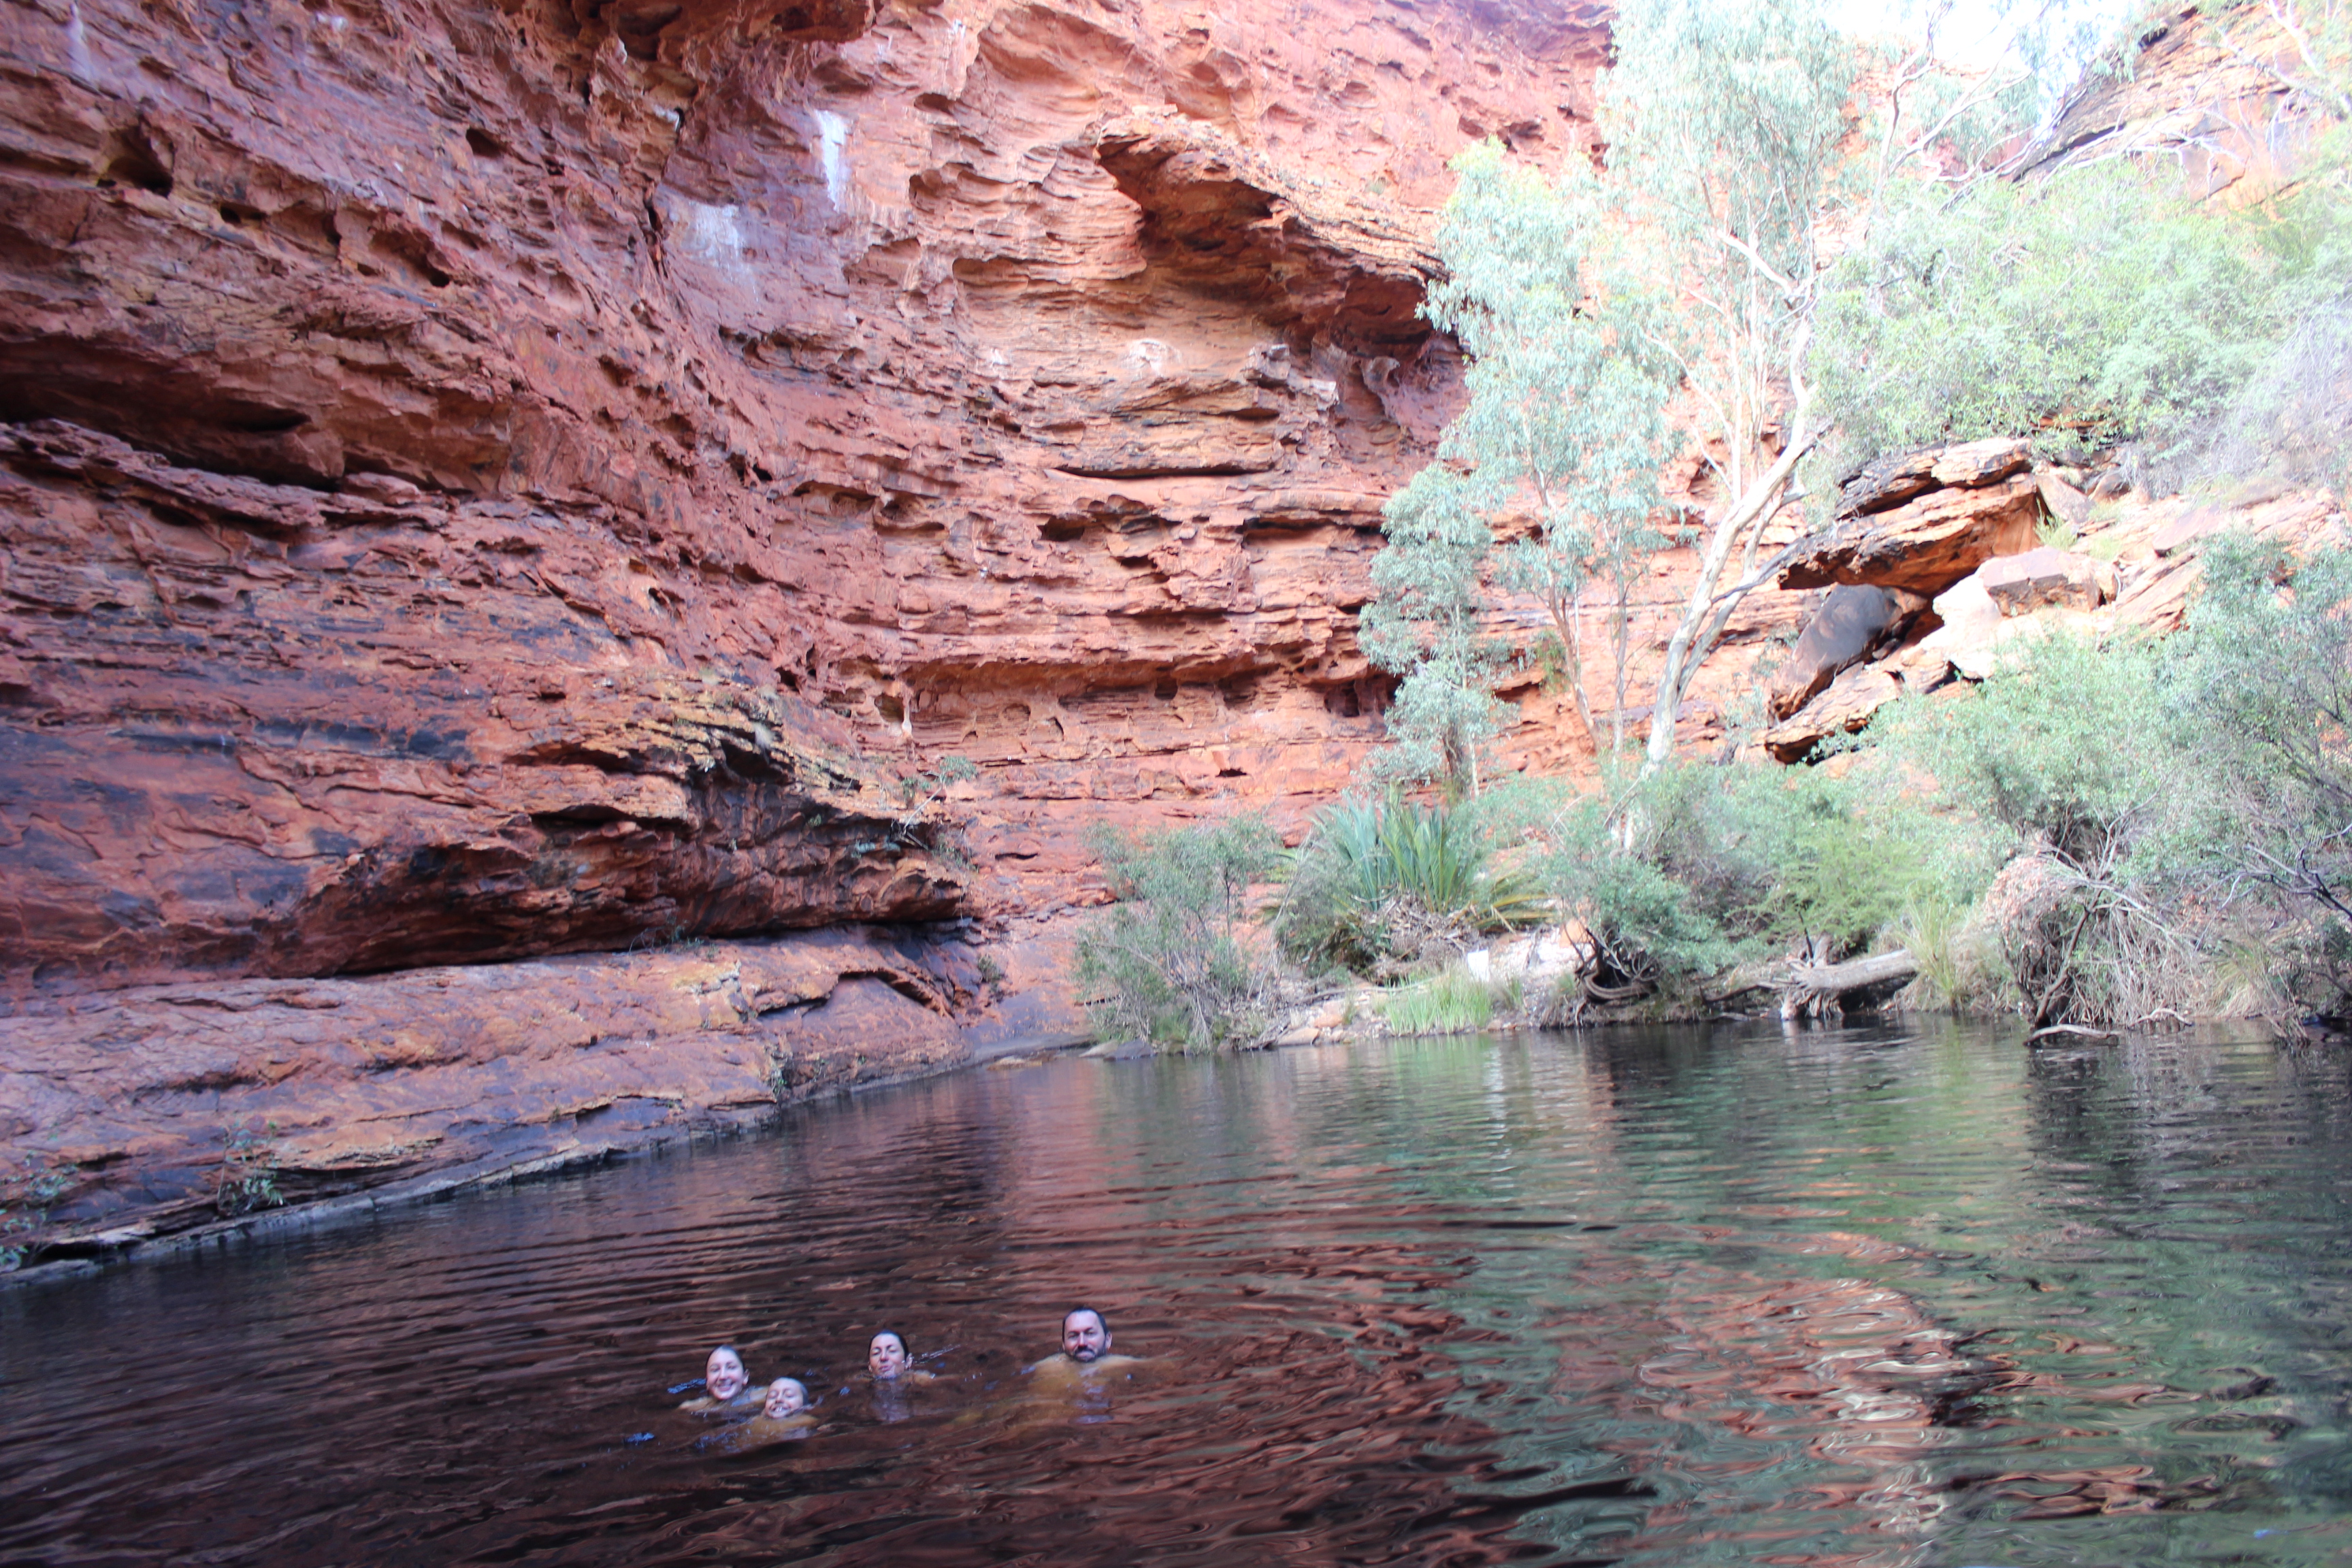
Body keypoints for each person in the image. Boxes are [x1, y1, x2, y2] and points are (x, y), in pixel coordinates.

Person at [1026, 1307, 1144, 1388]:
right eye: (1073, 1336)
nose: (1082, 1343)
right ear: (1063, 1344)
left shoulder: (1128, 1366)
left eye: (1090, 1334)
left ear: (1108, 1340)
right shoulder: (1043, 1369)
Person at [679, 1344, 761, 1412]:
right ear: (707, 1381)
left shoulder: (763, 1397)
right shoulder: (690, 1408)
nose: (723, 1376)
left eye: (731, 1367)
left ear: (745, 1377)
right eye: (715, 1370)